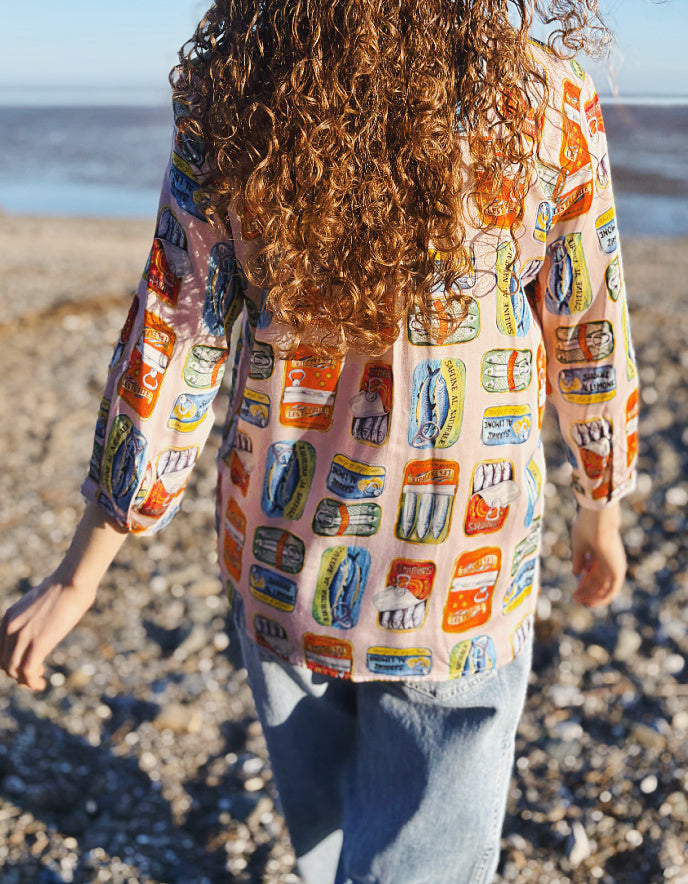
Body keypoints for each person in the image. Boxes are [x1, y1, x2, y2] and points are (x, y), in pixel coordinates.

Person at [1, 1, 638, 881]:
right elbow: (588, 324)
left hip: (281, 553)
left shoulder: (236, 101)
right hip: (466, 568)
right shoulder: (547, 97)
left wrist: (85, 568)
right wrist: (599, 500)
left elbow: (177, 341)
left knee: (329, 832)